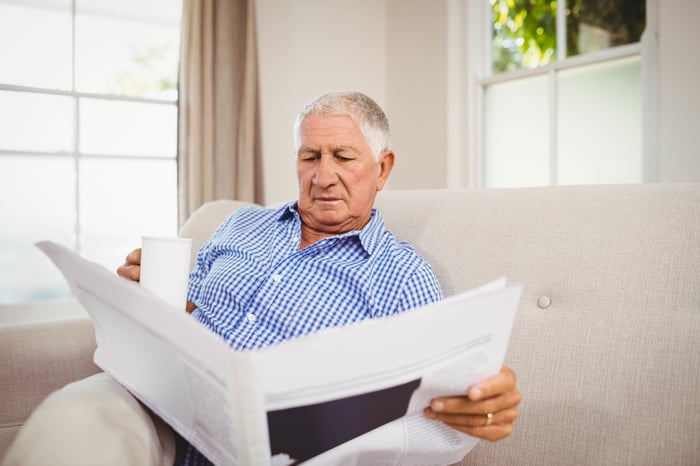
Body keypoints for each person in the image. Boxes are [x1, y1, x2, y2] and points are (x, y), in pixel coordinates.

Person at [3, 91, 520, 466]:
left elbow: (437, 398)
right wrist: (147, 300)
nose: (323, 175)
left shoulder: (403, 277)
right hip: (164, 407)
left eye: (343, 157)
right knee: (74, 419)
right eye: (309, 156)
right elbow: (189, 308)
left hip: (283, 451)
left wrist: (479, 407)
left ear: (382, 168)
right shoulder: (238, 224)